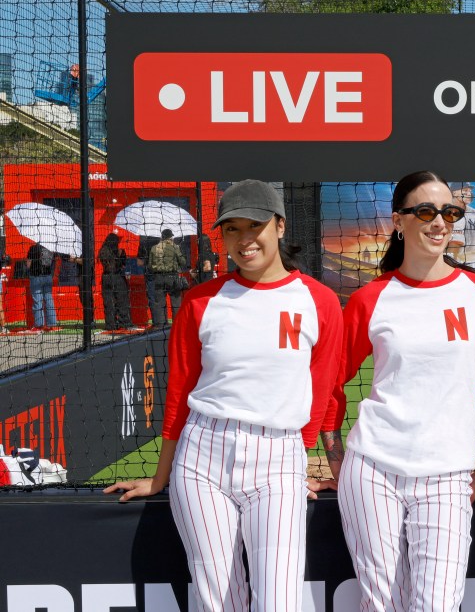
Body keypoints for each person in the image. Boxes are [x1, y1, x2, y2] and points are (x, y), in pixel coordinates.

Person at [105, 179, 344, 611]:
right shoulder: (200, 301)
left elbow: (323, 389)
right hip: (202, 458)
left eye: (255, 224)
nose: (244, 238)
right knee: (216, 600)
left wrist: (301, 460)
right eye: (231, 228)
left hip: (277, 458)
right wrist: (162, 476)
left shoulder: (320, 301)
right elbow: (178, 396)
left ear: (280, 225)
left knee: (280, 601)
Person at [331, 171, 475, 611]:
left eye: (449, 212)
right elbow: (329, 382)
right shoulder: (371, 298)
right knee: (381, 605)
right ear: (399, 221)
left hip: (448, 476)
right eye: (426, 211)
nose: (440, 223)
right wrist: (336, 456)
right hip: (372, 472)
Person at [147, 228, 187, 326]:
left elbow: (149, 265)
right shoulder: (175, 247)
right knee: (176, 302)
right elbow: (183, 262)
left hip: (158, 278)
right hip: (172, 277)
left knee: (159, 303)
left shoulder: (154, 248)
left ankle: (161, 325)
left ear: (162, 236)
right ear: (170, 237)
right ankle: (177, 324)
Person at [98, 233, 134, 331]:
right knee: (122, 300)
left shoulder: (102, 251)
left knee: (108, 301)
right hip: (118, 277)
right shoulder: (120, 251)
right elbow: (123, 265)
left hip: (106, 277)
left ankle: (110, 324)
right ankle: (125, 322)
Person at [26, 242, 58, 331]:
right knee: (49, 300)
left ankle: (39, 325)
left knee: (37, 301)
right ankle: (52, 324)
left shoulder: (33, 248)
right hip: (47, 276)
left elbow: (28, 264)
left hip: (35, 277)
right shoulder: (50, 248)